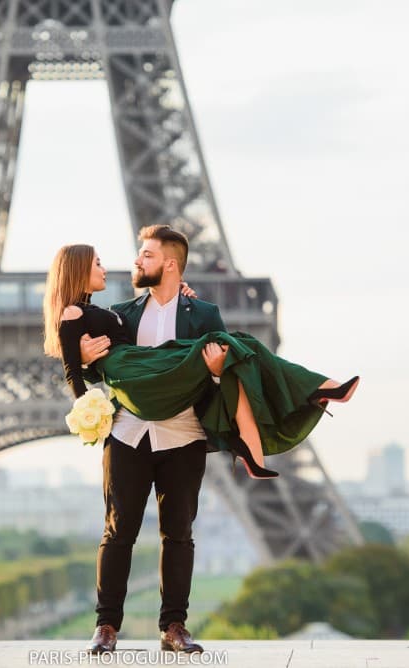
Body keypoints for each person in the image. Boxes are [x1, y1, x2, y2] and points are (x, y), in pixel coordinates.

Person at [42, 225, 358, 654]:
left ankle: (174, 627)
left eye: (146, 255)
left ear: (170, 264)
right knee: (118, 533)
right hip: (130, 432)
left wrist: (211, 371)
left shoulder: (203, 314)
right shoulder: (122, 314)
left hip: (183, 433)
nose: (135, 261)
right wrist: (79, 358)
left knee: (179, 534)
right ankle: (106, 627)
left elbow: (229, 374)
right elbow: (107, 370)